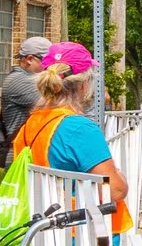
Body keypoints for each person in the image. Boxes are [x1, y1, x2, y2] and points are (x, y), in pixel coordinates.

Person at [10, 46, 134, 235]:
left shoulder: (32, 121)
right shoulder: (79, 128)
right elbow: (114, 191)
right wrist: (121, 176)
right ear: (84, 84)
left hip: (43, 236)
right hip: (82, 241)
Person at [1, 34, 53, 135]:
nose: (50, 65)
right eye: (47, 60)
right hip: (22, 149)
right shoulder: (18, 80)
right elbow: (55, 104)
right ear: (29, 59)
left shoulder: (30, 78)